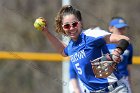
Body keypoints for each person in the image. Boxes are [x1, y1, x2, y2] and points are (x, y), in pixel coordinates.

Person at [41, 5, 130, 93]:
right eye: (67, 26)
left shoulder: (92, 35)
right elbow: (62, 50)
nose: (71, 28)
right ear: (63, 28)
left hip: (115, 89)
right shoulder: (71, 47)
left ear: (80, 23)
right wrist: (46, 32)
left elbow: (124, 39)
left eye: (74, 24)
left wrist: (117, 51)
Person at [102, 17, 133, 93]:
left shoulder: (128, 46)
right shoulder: (104, 44)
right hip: (108, 82)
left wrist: (129, 82)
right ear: (111, 28)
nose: (122, 31)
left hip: (123, 80)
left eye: (123, 28)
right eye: (119, 28)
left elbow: (128, 66)